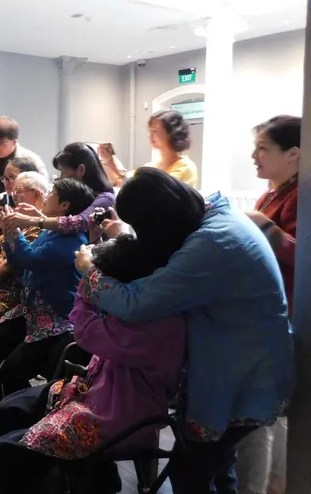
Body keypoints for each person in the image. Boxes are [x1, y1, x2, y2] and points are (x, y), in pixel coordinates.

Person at [73, 168, 294, 494]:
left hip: (242, 373)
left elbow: (136, 302)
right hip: (246, 361)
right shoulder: (213, 214)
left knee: (193, 472)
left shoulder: (211, 244)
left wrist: (90, 271)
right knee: (217, 467)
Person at [0, 216, 193, 493]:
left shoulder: (155, 327)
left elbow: (84, 332)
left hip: (117, 414)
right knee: (10, 408)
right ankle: (7, 466)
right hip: (95, 391)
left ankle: (0, 481)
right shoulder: (140, 308)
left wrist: (89, 278)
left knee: (9, 447)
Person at [0, 178, 95, 424]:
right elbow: (18, 260)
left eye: (52, 193)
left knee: (11, 369)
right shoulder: (51, 231)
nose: (47, 197)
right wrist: (14, 233)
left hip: (55, 320)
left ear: (64, 205)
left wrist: (13, 231)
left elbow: (30, 259)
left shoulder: (72, 241)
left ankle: (20, 419)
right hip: (30, 311)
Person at [236, 114, 300, 494]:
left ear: (293, 153)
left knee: (259, 414)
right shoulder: (273, 193)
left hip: (284, 316)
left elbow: (300, 257)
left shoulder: (298, 197)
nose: (254, 156)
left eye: (263, 148)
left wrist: (263, 226)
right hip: (263, 313)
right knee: (270, 414)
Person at [0, 142, 116, 242]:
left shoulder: (106, 198)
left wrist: (32, 220)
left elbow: (80, 222)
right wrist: (39, 215)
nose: (61, 177)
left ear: (81, 170)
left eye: (63, 171)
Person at [99, 109, 198, 188]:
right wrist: (109, 161)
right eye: (150, 131)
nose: (150, 136)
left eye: (155, 131)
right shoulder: (153, 165)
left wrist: (112, 164)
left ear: (172, 133)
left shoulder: (186, 168)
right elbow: (122, 182)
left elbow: (151, 190)